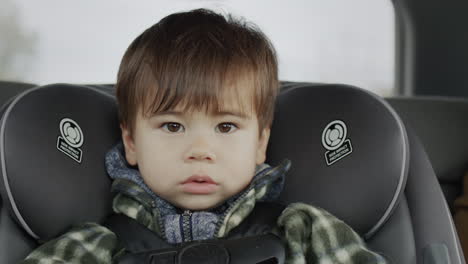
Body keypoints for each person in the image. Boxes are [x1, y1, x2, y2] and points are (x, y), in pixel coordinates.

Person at [21, 8, 387, 264]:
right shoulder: (95, 246)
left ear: (260, 142)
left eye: (226, 127)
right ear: (131, 142)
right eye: (172, 126)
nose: (200, 150)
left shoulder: (303, 231)